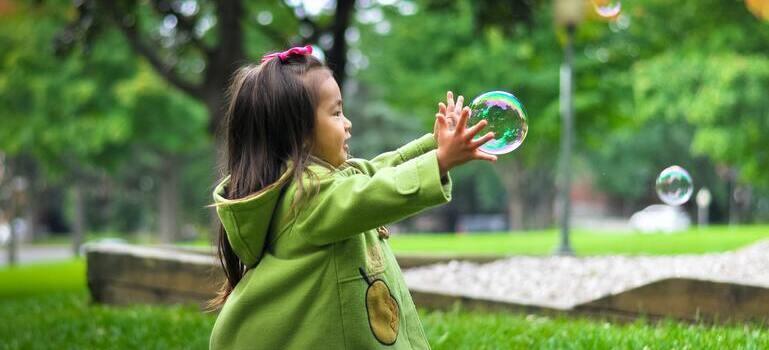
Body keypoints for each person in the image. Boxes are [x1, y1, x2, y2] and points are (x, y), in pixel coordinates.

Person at [208, 45, 496, 350]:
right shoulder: (306, 199)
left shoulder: (322, 183)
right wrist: (439, 161)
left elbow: (376, 172)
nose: (347, 123)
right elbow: (373, 193)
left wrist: (434, 146)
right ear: (299, 133)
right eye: (336, 113)